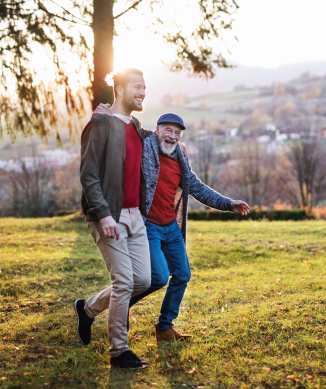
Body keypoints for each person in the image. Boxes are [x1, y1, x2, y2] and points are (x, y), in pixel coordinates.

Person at [91, 104, 250, 341]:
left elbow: (198, 188)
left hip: (171, 227)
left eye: (177, 133)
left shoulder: (180, 160)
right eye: (168, 130)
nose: (172, 136)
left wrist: (228, 204)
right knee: (156, 278)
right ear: (157, 130)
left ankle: (164, 327)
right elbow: (126, 132)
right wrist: (106, 118)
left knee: (183, 275)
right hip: (149, 226)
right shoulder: (146, 147)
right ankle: (120, 307)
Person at [74, 68, 152, 369]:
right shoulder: (100, 123)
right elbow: (88, 174)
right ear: (119, 90)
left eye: (145, 87)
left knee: (143, 279)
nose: (142, 92)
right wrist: (104, 215)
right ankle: (119, 351)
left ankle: (87, 309)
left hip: (135, 216)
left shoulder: (135, 126)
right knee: (124, 281)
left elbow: (156, 143)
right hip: (109, 215)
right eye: (136, 87)